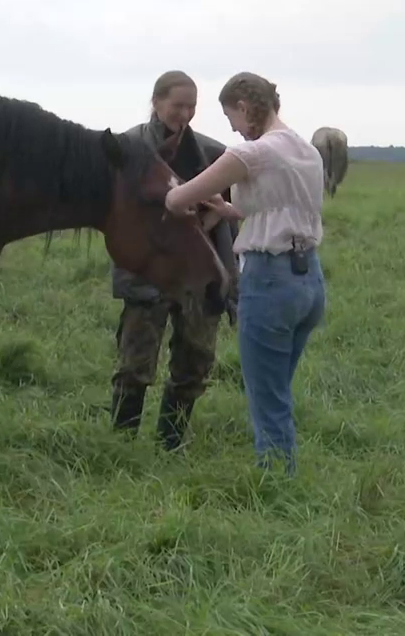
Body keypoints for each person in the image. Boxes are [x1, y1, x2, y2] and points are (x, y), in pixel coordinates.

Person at [164, 71, 325, 475]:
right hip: (308, 282)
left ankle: (276, 483)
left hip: (269, 281)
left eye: (231, 117)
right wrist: (226, 210)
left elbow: (179, 198)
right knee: (277, 390)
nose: (233, 128)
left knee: (267, 399)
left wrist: (169, 189)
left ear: (244, 106)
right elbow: (274, 211)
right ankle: (280, 471)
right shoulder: (305, 151)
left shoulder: (251, 154)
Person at [109, 70, 239, 452]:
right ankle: (121, 447)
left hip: (198, 272)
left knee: (195, 363)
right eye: (177, 105)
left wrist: (205, 220)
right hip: (146, 271)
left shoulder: (214, 153)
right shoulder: (127, 148)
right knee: (134, 366)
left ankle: (171, 444)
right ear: (156, 101)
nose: (184, 114)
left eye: (191, 107)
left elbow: (229, 214)